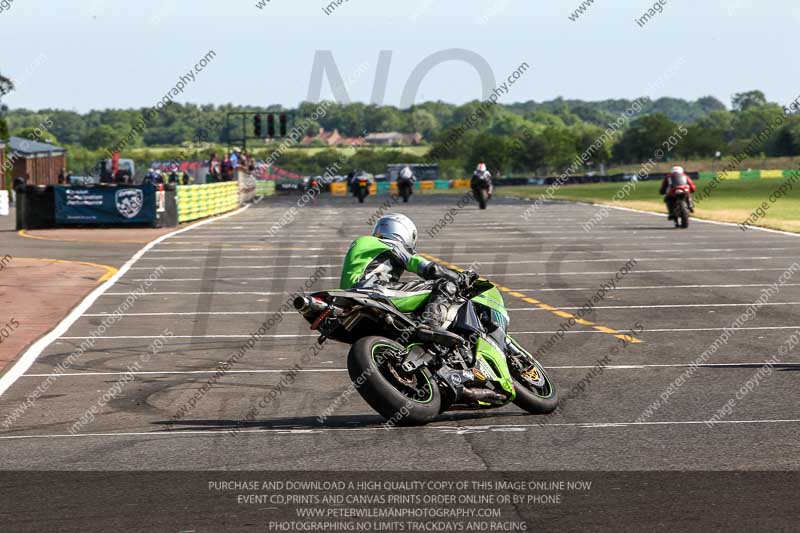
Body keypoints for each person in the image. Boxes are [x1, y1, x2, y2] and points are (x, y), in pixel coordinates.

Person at [339, 213, 478, 337]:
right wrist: (460, 278)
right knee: (444, 285)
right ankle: (431, 324)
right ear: (402, 231)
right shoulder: (388, 244)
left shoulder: (365, 245)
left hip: (349, 299)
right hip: (371, 291)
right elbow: (430, 269)